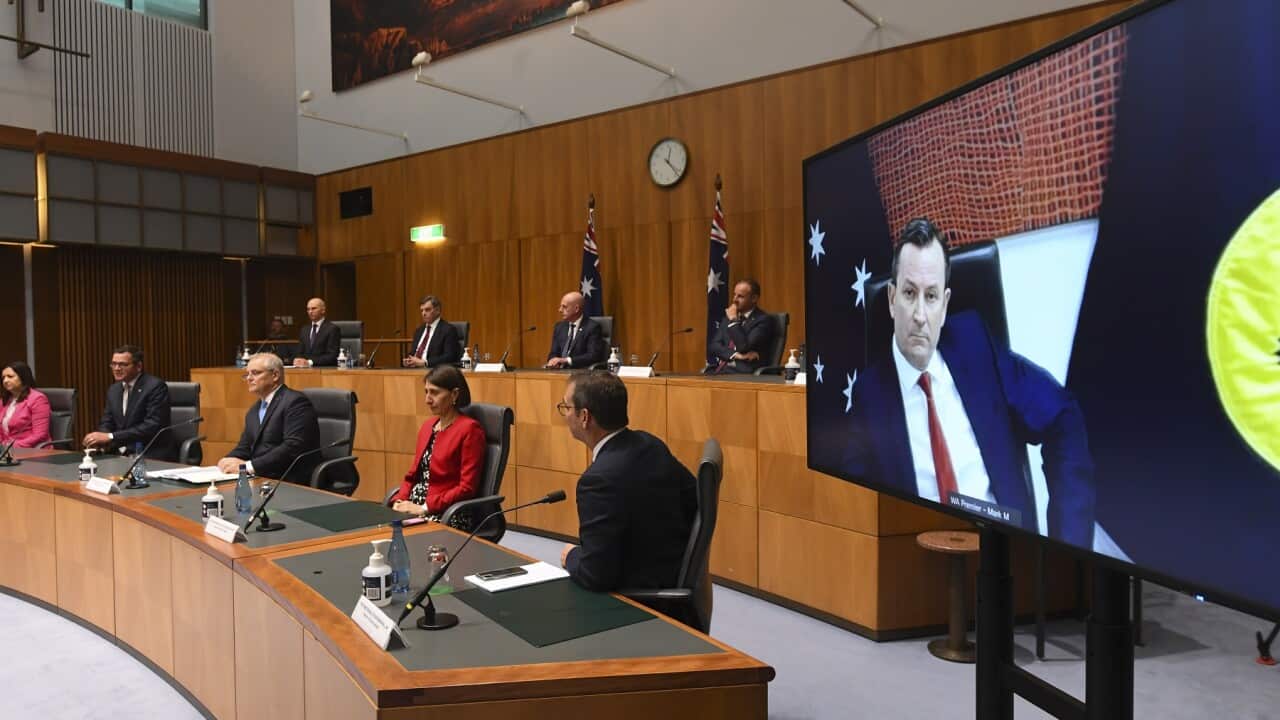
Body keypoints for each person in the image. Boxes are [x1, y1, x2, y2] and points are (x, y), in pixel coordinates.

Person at [844, 218, 1095, 546]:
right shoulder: (868, 397)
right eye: (909, 293)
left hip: (1005, 552)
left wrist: (1067, 547)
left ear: (945, 305)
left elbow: (1063, 414)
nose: (920, 314)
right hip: (924, 558)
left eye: (931, 296)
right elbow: (852, 509)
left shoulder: (975, 345)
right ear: (892, 299)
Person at [557, 371, 696, 592]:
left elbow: (594, 576)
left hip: (639, 597)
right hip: (670, 571)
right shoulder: (650, 443)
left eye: (566, 408)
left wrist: (572, 556)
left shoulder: (597, 481)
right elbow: (694, 500)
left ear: (585, 417)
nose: (564, 415)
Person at [389, 366, 485, 530]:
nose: (427, 399)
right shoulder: (428, 427)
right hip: (414, 506)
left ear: (454, 394)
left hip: (446, 511)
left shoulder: (470, 429)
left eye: (434, 392)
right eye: (426, 392)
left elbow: (466, 488)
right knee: (378, 527)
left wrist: (424, 508)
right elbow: (412, 475)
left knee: (402, 534)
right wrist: (399, 500)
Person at [217, 353, 321, 484]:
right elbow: (245, 446)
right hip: (263, 476)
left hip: (288, 478)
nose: (249, 378)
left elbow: (293, 447)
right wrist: (227, 460)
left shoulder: (295, 402)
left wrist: (249, 467)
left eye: (255, 373)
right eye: (247, 374)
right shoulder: (254, 410)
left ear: (275, 375)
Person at [82, 345, 173, 459]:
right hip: (118, 453)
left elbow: (151, 425)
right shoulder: (114, 390)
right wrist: (99, 439)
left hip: (147, 452)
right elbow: (107, 422)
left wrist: (110, 437)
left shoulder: (155, 387)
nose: (116, 368)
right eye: (113, 364)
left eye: (123, 364)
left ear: (138, 366)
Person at [707, 278, 777, 373]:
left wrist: (734, 321)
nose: (734, 299)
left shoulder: (763, 320)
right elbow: (714, 346)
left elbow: (743, 347)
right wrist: (735, 355)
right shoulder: (730, 317)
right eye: (734, 294)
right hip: (723, 370)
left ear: (754, 298)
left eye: (740, 296)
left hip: (744, 373)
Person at [545, 291, 606, 369]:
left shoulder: (592, 327)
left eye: (564, 307)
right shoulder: (559, 327)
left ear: (576, 309)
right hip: (558, 371)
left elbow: (593, 355)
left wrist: (567, 360)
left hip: (580, 372)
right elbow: (553, 353)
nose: (560, 310)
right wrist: (552, 361)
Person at [402, 295, 462, 368]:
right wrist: (409, 360)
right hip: (414, 370)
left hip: (433, 371)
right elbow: (413, 352)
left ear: (437, 310)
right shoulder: (419, 330)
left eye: (427, 310)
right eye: (422, 310)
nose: (423, 313)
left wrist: (425, 363)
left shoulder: (448, 330)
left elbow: (450, 356)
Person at [0, 361, 51, 449]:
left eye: (10, 376)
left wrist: (10, 446)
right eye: (3, 377)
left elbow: (40, 435)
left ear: (23, 377)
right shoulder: (4, 401)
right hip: (7, 452)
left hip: (33, 451)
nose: (5, 380)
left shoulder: (38, 399)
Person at [293, 297, 341, 367]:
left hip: (324, 370)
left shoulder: (332, 329)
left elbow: (332, 355)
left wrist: (310, 362)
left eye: (313, 308)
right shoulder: (304, 330)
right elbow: (300, 352)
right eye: (308, 309)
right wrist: (298, 360)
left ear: (323, 310)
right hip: (304, 370)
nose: (310, 312)